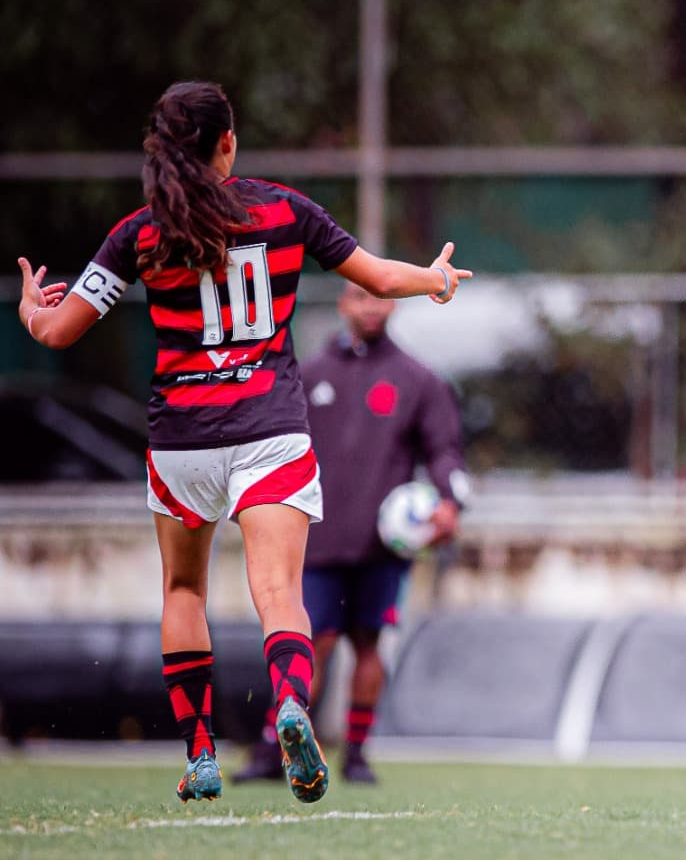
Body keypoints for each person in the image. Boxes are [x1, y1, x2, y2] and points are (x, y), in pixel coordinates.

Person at [14, 81, 470, 806]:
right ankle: (291, 702)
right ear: (228, 143)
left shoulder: (138, 232)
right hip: (269, 431)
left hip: (181, 439)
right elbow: (379, 275)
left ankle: (199, 754)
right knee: (280, 590)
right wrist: (435, 279)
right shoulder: (284, 209)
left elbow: (60, 329)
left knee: (184, 587)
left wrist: (32, 312)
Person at [236, 281, 468, 785]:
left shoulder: (418, 380)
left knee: (369, 645)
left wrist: (450, 502)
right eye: (360, 297)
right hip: (317, 539)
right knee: (310, 642)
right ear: (344, 304)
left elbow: (444, 449)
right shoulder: (308, 375)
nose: (371, 307)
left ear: (393, 304)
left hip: (382, 545)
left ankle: (357, 753)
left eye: (379, 298)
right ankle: (273, 749)